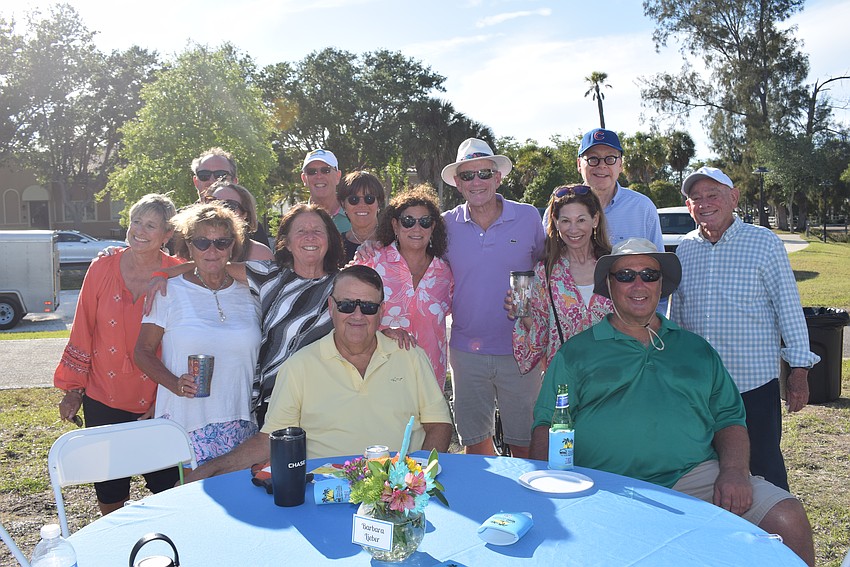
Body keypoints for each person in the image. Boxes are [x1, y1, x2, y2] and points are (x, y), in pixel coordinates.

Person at [529, 238, 815, 566]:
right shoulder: (577, 352)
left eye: (649, 275)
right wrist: (550, 491)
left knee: (788, 517)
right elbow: (547, 425)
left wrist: (735, 471)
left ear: (660, 284)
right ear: (609, 285)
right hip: (606, 484)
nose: (638, 284)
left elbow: (729, 418)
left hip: (693, 476)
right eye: (626, 275)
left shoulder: (695, 349)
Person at [183, 265, 453, 480]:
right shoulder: (299, 367)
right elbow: (269, 441)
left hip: (398, 488)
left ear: (381, 311)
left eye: (368, 307)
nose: (357, 315)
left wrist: (413, 478)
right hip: (328, 491)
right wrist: (208, 472)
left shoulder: (410, 356)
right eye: (347, 305)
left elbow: (438, 424)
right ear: (331, 308)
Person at [670, 166, 819, 491]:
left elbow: (788, 308)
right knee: (706, 470)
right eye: (696, 198)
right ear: (689, 206)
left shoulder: (763, 242)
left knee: (763, 468)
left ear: (733, 198)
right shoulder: (685, 248)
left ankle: (775, 537)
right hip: (700, 389)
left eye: (713, 195)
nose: (704, 203)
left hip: (751, 385)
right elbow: (677, 315)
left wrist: (798, 372)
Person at [54, 194, 181, 515]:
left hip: (157, 400)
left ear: (167, 235)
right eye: (135, 221)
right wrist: (73, 390)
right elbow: (83, 328)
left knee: (168, 487)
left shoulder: (180, 275)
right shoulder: (101, 267)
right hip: (102, 398)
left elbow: (183, 342)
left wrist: (165, 400)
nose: (139, 230)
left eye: (150, 225)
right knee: (110, 490)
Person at [441, 138, 545, 457]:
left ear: (498, 178)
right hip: (466, 351)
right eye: (468, 175)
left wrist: (531, 302)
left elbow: (544, 267)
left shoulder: (528, 217)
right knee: (477, 447)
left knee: (524, 444)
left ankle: (529, 506)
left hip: (521, 350)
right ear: (458, 182)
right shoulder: (445, 225)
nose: (477, 182)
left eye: (484, 173)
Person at [135, 203, 261, 465]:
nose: (212, 250)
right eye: (202, 242)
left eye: (221, 242)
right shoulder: (168, 291)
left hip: (243, 421)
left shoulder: (250, 293)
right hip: (188, 421)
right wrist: (174, 383)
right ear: (189, 246)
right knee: (196, 501)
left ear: (232, 246)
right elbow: (142, 352)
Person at [354, 185, 453, 389]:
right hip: (379, 379)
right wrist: (382, 331)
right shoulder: (372, 263)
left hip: (430, 382)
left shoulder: (445, 273)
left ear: (433, 227)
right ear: (395, 225)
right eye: (408, 221)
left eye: (424, 222)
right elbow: (346, 313)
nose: (416, 229)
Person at [508, 184, 613, 373]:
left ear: (595, 219)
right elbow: (540, 336)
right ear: (555, 222)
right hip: (565, 378)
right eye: (565, 221)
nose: (573, 229)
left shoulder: (615, 267)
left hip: (613, 376)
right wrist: (523, 313)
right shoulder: (545, 272)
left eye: (581, 220)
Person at [191, 147, 270, 245]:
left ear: (234, 182)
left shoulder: (252, 230)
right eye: (204, 175)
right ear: (195, 181)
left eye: (221, 175)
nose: (211, 180)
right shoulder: (176, 226)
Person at [207, 180, 274, 261]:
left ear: (244, 215)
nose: (220, 209)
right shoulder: (191, 248)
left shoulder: (260, 254)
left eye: (229, 205)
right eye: (213, 202)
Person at [336, 171, 385, 262]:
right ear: (343, 204)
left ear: (379, 203)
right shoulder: (335, 245)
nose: (362, 205)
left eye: (369, 199)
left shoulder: (392, 241)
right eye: (354, 199)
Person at [301, 148, 351, 233]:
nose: (319, 176)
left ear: (338, 176)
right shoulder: (295, 221)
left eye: (325, 170)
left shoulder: (355, 216)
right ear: (304, 179)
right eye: (311, 171)